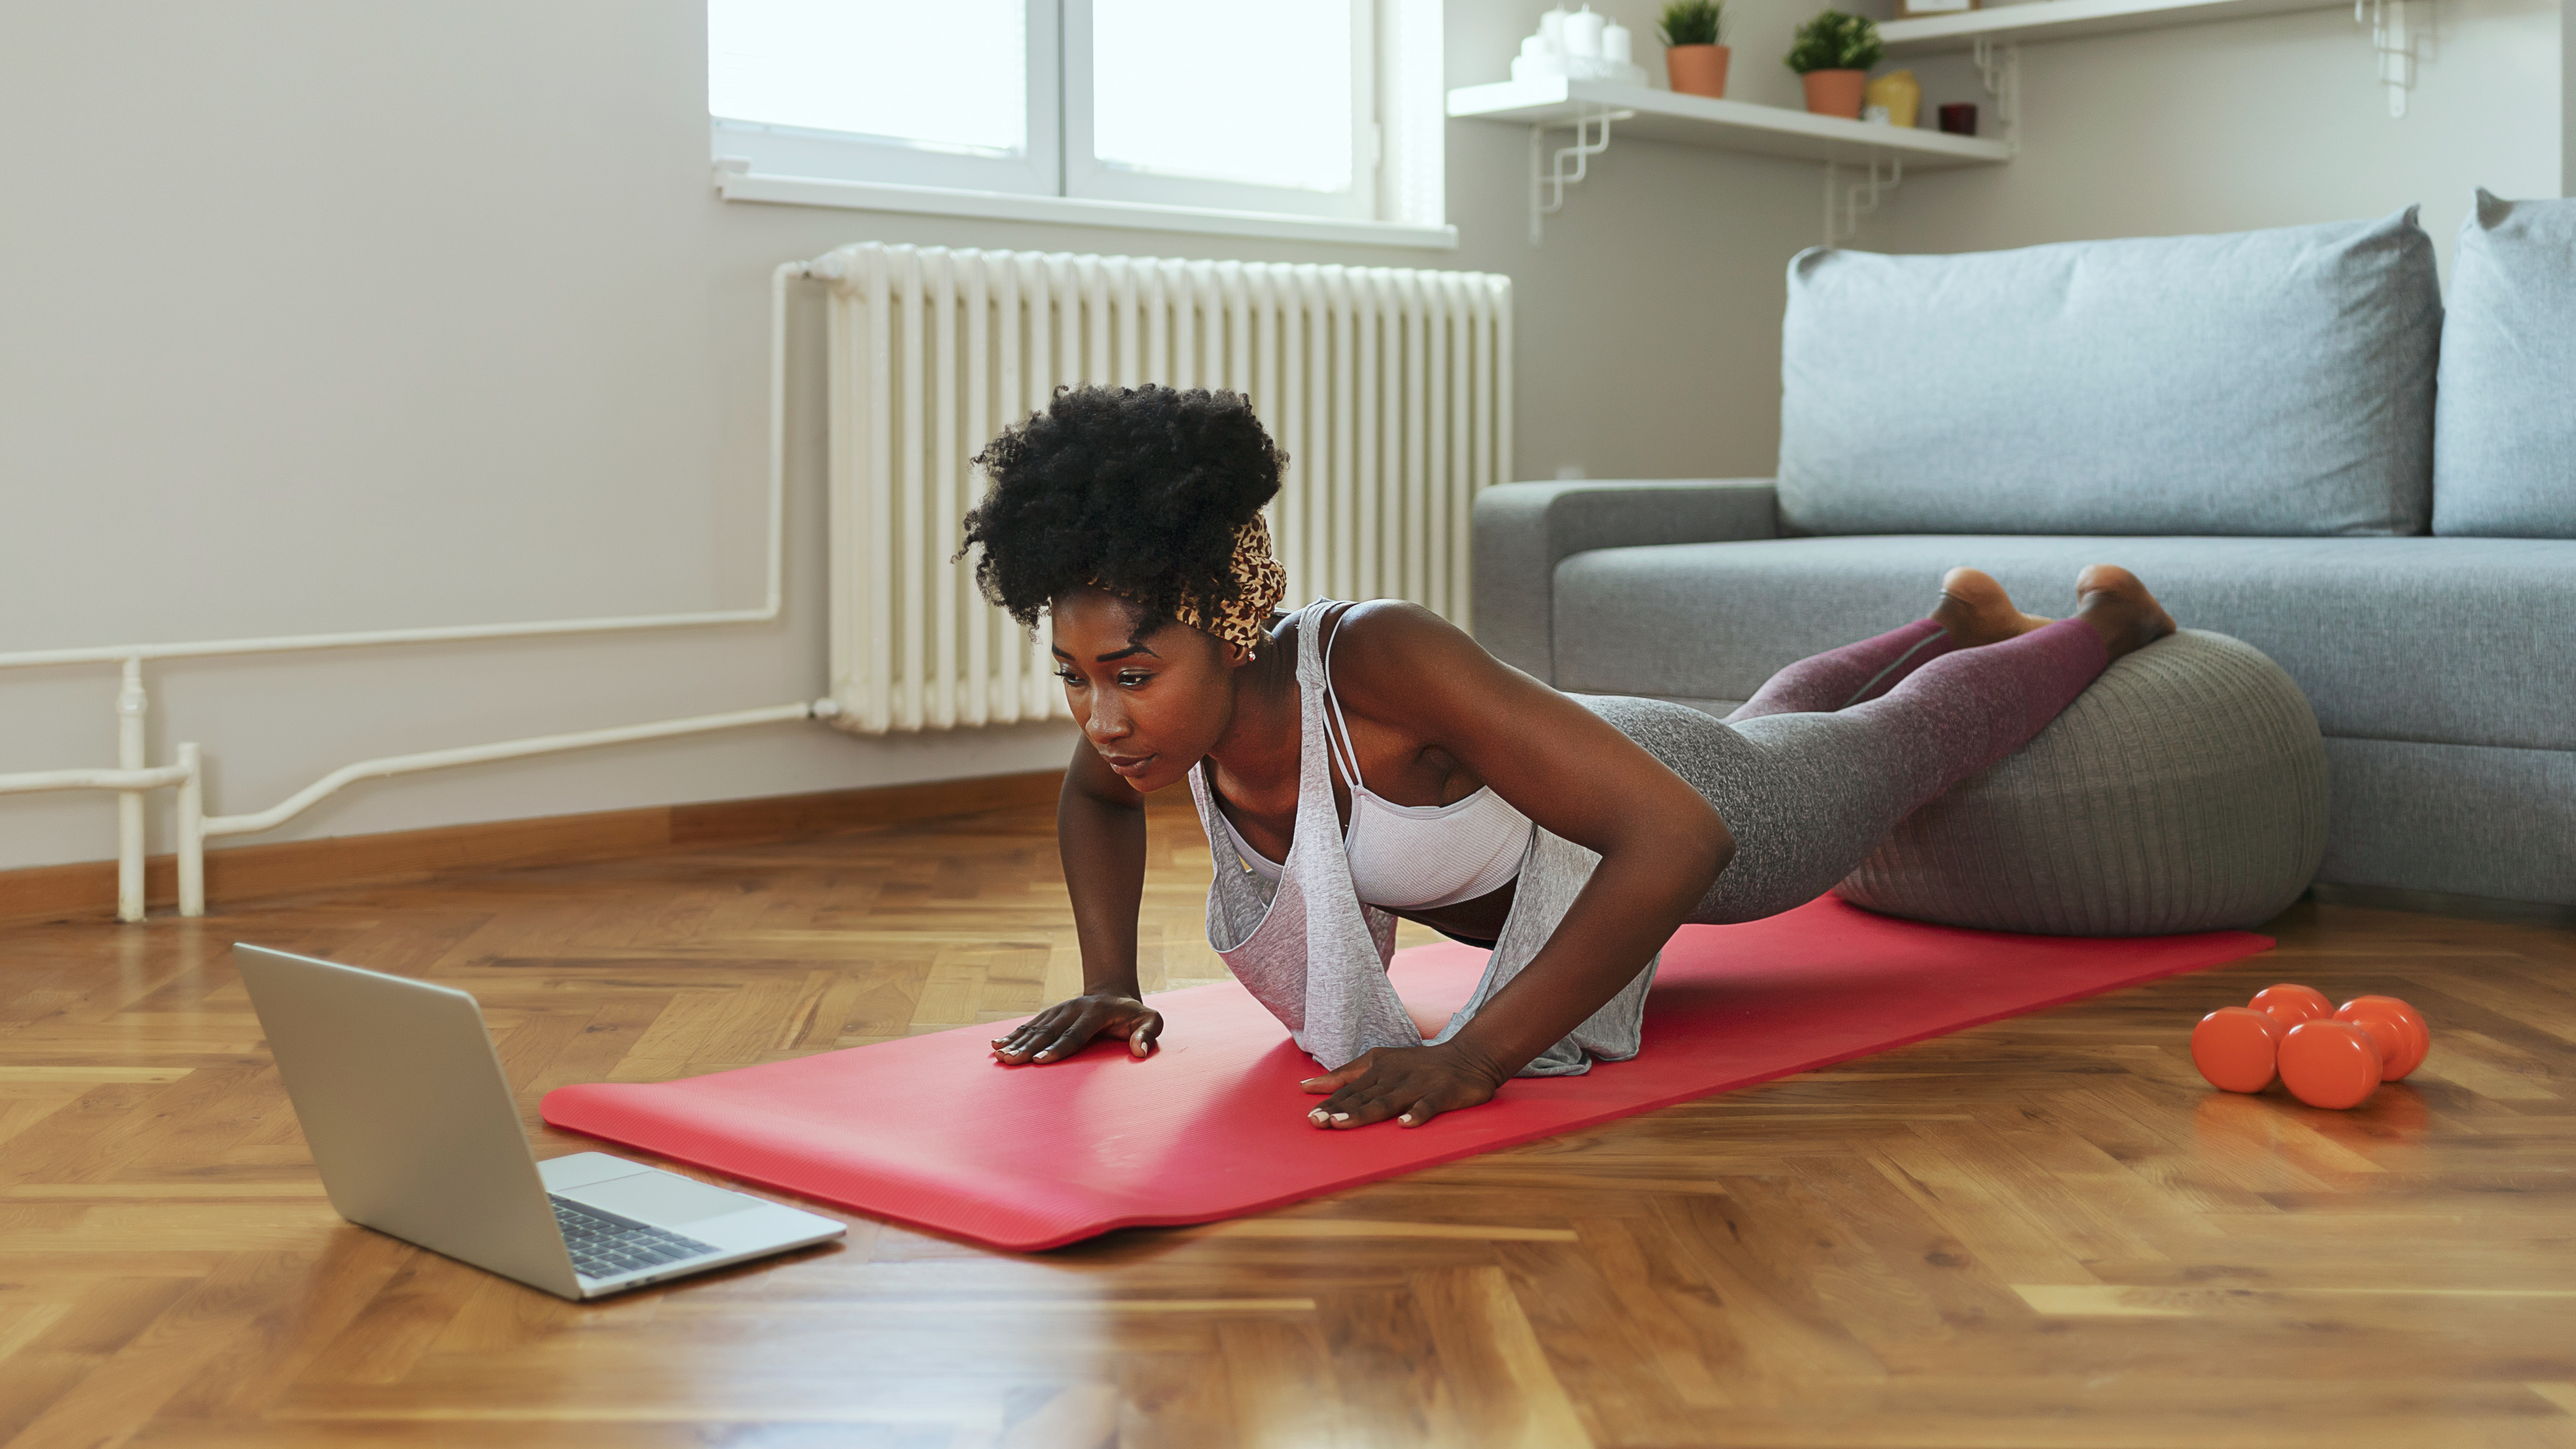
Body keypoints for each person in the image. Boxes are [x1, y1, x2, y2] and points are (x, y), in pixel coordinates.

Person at [970, 385, 2176, 1131]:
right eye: (1074, 676)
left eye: (1131, 674)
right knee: (1782, 722)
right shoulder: (1159, 730)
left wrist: (1479, 1053)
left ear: (1230, 629)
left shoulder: (1377, 661)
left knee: (1879, 749)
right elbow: (1093, 795)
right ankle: (1950, 621)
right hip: (1582, 763)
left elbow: (1683, 836)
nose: (1105, 718)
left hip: (1683, 800)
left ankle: (2107, 619)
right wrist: (1111, 975)